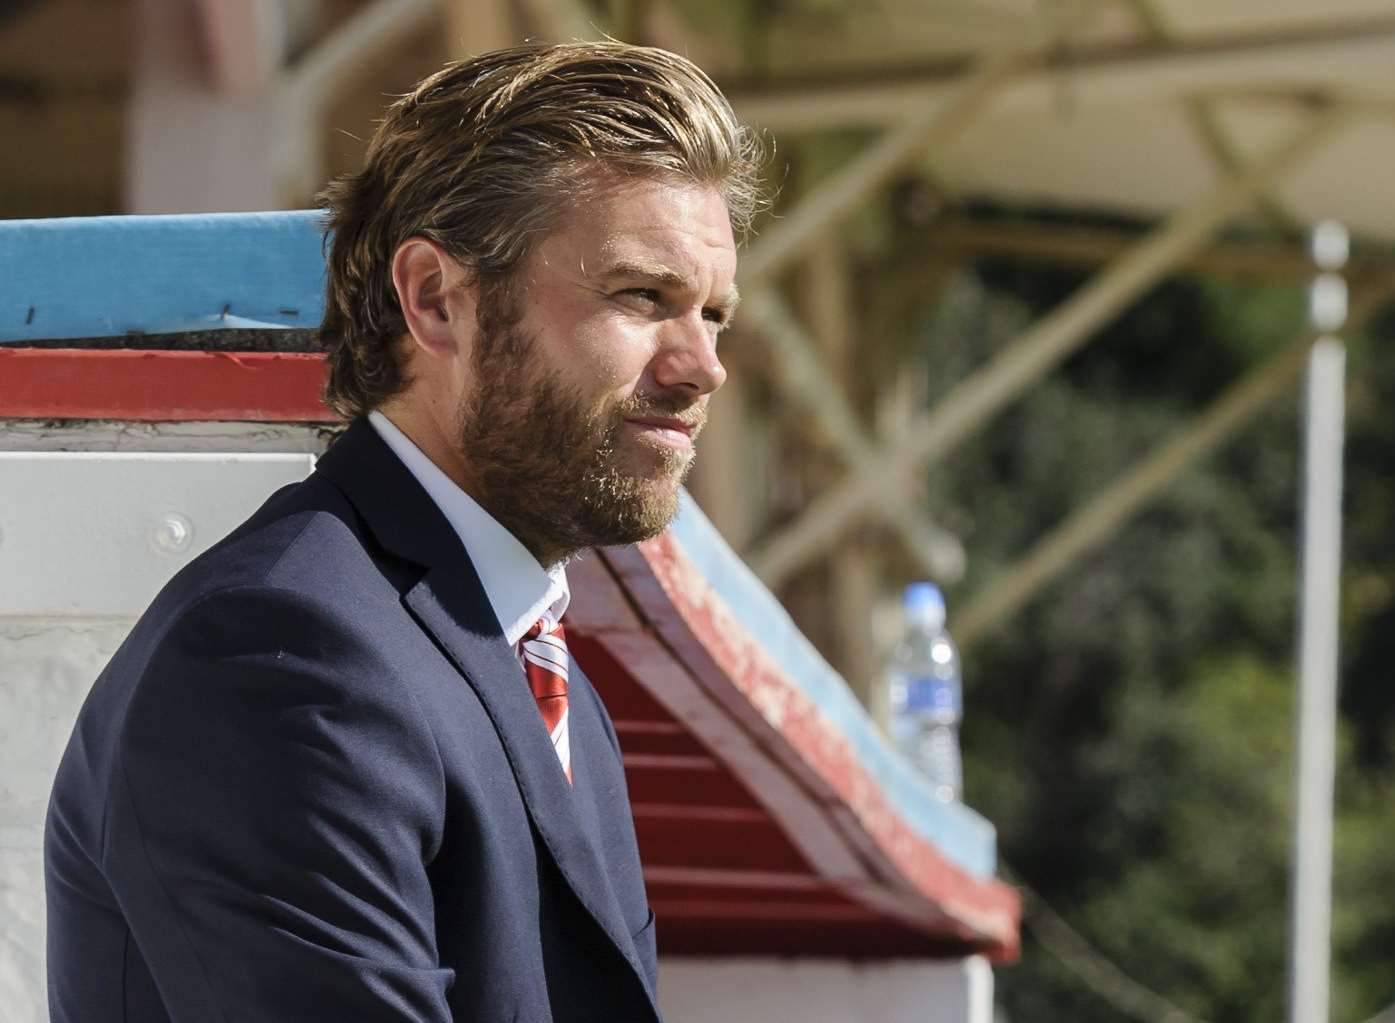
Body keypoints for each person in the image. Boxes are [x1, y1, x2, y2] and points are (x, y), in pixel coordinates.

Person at [45, 40, 766, 1022]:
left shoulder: (547, 687)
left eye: (713, 314)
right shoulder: (284, 653)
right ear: (436, 299)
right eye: (642, 296)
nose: (701, 365)